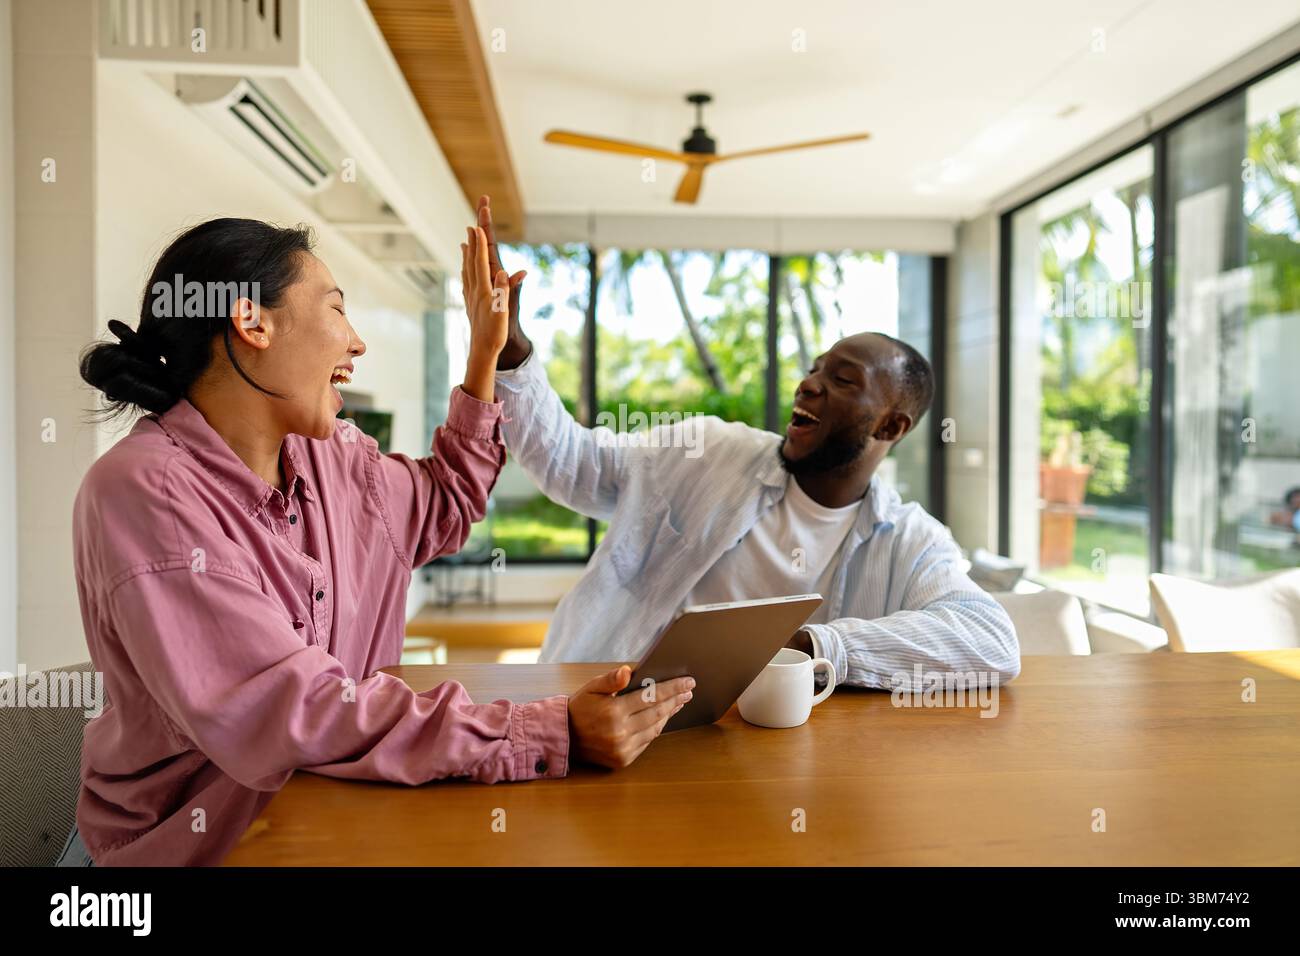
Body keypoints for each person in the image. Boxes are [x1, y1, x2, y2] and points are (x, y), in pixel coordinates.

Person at [67, 218, 693, 866]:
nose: (358, 342)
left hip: (328, 813)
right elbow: (295, 711)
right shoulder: (146, 493)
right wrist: (546, 728)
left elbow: (446, 503)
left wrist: (485, 355)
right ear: (253, 323)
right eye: (337, 308)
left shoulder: (330, 457)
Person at [473, 196, 1019, 689]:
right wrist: (511, 349)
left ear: (891, 428)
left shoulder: (909, 540)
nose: (809, 384)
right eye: (814, 369)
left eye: (843, 380)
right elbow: (573, 465)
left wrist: (810, 647)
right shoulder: (707, 450)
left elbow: (989, 640)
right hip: (608, 706)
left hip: (774, 748)